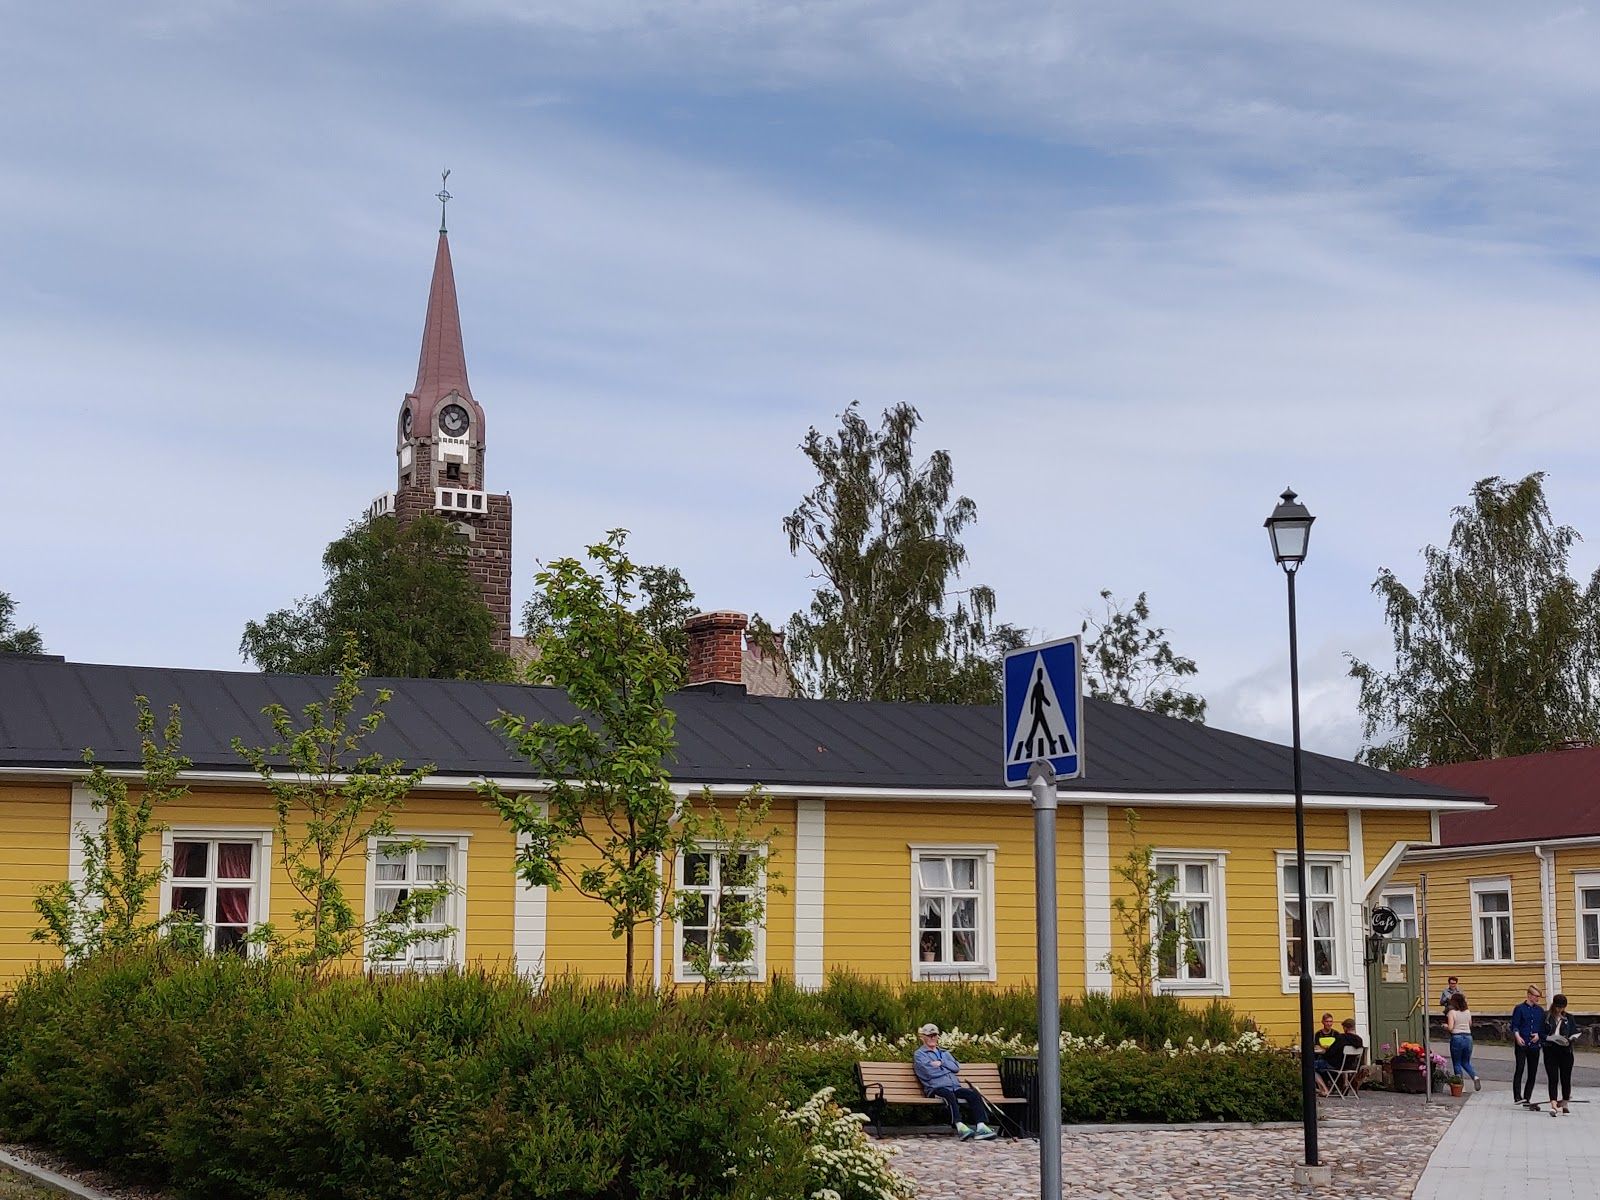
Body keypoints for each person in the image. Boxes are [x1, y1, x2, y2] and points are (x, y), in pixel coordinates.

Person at [912, 1023, 998, 1140]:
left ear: (937, 1036)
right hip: (935, 1088)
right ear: (923, 1037)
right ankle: (960, 1126)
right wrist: (948, 1069)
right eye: (929, 1036)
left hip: (954, 1086)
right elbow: (928, 1073)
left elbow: (956, 1067)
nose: (932, 1038)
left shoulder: (945, 1053)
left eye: (934, 1035)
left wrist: (941, 1063)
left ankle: (981, 1126)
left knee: (973, 1094)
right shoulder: (919, 1054)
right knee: (949, 1095)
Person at [1542, 994, 1579, 1116]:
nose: (1560, 1010)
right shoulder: (1546, 1016)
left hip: (1566, 1051)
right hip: (1551, 1050)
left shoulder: (1569, 1017)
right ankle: (1553, 1104)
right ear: (1554, 1005)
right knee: (1553, 1078)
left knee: (1566, 1078)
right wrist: (1549, 1038)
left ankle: (1565, 1103)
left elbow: (1574, 1032)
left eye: (1562, 1007)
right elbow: (1541, 1032)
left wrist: (1571, 1039)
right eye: (1558, 1007)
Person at [1510, 985, 1545, 1108]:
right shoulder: (1519, 1008)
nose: (1537, 999)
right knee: (1520, 1068)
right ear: (1529, 995)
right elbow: (1515, 1025)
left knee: (1532, 1071)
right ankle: (1517, 1096)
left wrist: (1538, 1035)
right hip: (1522, 1042)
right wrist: (1517, 1036)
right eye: (1535, 996)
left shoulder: (1540, 1011)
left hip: (1534, 1045)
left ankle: (1527, 1097)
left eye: (1538, 997)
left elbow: (1543, 1027)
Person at [1445, 992, 1481, 1091]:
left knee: (1457, 1063)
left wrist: (1445, 1026)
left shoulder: (1452, 1012)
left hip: (1457, 1037)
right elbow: (1470, 1024)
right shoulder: (1467, 1012)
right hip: (1468, 1037)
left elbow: (1451, 1028)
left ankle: (1461, 1086)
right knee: (1466, 1062)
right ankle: (1475, 1077)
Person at [1311, 1013, 1339, 1096]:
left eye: (1330, 1021)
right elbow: (1316, 1046)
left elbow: (1337, 1048)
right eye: (1327, 1021)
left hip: (1331, 1061)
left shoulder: (1336, 1034)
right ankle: (1322, 1088)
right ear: (1322, 1022)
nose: (1329, 1024)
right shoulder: (1318, 1034)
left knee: (1310, 1066)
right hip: (1320, 1058)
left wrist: (1325, 1049)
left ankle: (1324, 1089)